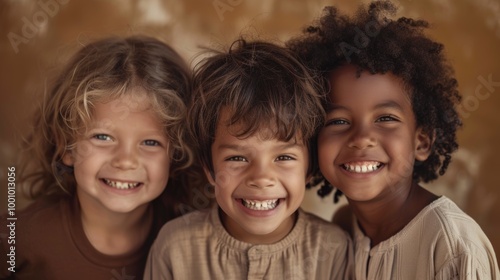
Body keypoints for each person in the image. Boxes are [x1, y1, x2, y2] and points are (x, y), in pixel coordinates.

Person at [288, 1, 500, 279]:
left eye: (385, 118)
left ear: (421, 142)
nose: (362, 139)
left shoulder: (451, 244)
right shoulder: (344, 228)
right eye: (338, 121)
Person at [144, 39, 353, 280]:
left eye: (284, 157)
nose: (261, 178)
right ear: (209, 168)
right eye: (237, 158)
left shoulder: (333, 248)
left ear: (309, 167)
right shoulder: (175, 247)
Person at [0, 35, 197, 279]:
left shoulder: (191, 240)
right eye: (102, 137)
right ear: (67, 147)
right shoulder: (18, 237)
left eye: (150, 142)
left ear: (176, 154)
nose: (125, 161)